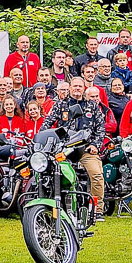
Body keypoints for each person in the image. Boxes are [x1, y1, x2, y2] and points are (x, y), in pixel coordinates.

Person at [41, 77, 108, 212]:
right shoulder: (60, 105)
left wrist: (95, 145)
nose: (77, 88)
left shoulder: (92, 106)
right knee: (50, 173)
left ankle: (97, 209)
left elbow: (101, 128)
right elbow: (47, 123)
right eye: (75, 86)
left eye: (80, 86)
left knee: (96, 175)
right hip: (63, 150)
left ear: (84, 89)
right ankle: (53, 205)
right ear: (70, 88)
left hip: (85, 149)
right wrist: (41, 139)